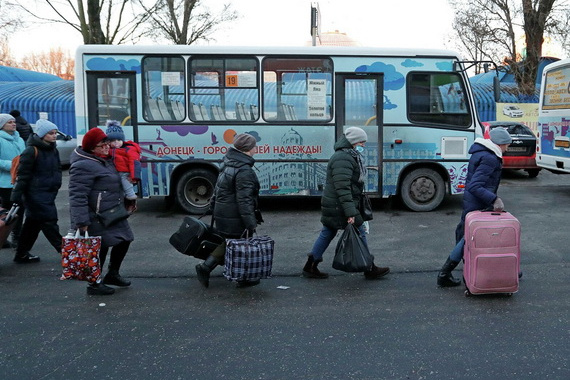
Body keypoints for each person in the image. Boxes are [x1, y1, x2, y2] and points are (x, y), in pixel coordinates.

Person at [302, 127, 390, 280]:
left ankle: (310, 266)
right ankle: (369, 267)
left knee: (328, 232)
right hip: (340, 205)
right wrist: (351, 212)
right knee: (360, 229)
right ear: (354, 142)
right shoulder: (344, 158)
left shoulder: (348, 156)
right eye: (361, 142)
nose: (363, 145)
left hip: (335, 204)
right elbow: (343, 188)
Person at [437, 127, 512, 287]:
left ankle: (507, 269)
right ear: (499, 144)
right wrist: (494, 199)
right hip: (478, 205)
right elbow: (475, 186)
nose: (507, 148)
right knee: (467, 239)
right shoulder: (490, 158)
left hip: (474, 202)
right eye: (506, 144)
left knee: (466, 236)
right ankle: (445, 273)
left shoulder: (481, 152)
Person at [69, 128, 135, 296]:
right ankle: (94, 284)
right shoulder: (83, 165)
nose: (107, 147)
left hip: (112, 212)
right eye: (102, 145)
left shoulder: (104, 160)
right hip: (95, 215)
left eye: (107, 143)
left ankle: (112, 274)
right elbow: (77, 196)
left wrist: (128, 200)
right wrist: (81, 222)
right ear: (92, 147)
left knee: (125, 239)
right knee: (100, 249)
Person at [195, 133, 263, 288]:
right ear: (247, 149)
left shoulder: (229, 162)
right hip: (234, 215)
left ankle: (237, 275)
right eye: (254, 146)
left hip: (224, 212)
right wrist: (250, 222)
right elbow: (244, 200)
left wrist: (213, 207)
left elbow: (218, 189)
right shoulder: (244, 170)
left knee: (232, 243)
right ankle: (208, 268)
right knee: (237, 244)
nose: (256, 149)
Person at [10, 119, 63, 263]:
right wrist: (16, 195)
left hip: (48, 192)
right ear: (41, 135)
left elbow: (57, 169)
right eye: (51, 133)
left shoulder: (53, 149)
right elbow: (23, 175)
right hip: (35, 194)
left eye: (55, 133)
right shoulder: (31, 151)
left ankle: (21, 254)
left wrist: (57, 184)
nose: (54, 136)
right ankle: (67, 253)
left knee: (32, 225)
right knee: (49, 222)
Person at [0, 113, 26, 251]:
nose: (13, 124)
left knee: (19, 209)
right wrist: (12, 165)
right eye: (9, 122)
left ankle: (16, 236)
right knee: (7, 211)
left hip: (19, 180)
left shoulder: (19, 139)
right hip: (4, 182)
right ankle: (5, 237)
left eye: (14, 122)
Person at [105, 120, 141, 210]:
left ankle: (132, 198)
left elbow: (134, 163)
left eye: (119, 140)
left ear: (123, 140)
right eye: (113, 141)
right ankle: (124, 202)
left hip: (125, 173)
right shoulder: (110, 150)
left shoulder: (129, 149)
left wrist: (134, 177)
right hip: (116, 173)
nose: (116, 142)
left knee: (126, 185)